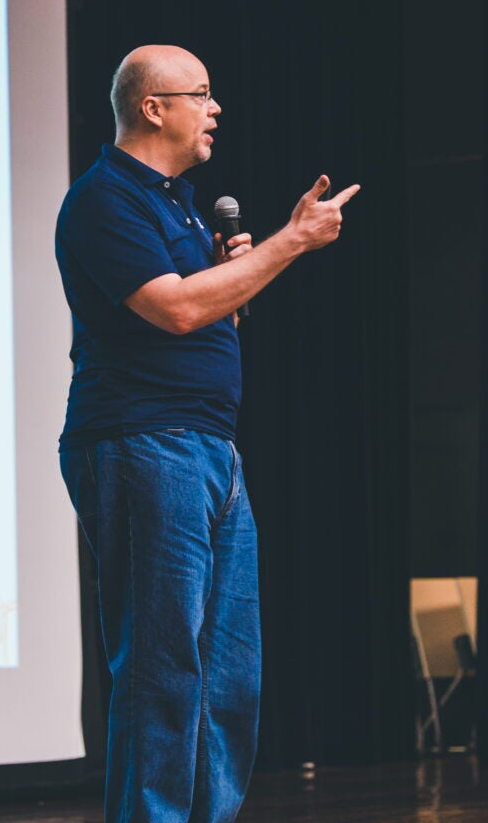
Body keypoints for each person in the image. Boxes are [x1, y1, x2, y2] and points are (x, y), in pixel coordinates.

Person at [55, 44, 358, 823]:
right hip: (143, 440)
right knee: (162, 669)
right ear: (153, 108)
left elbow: (209, 313)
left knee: (228, 675)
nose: (216, 108)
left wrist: (240, 270)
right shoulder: (106, 199)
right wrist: (292, 241)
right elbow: (180, 310)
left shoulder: (181, 205)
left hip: (210, 447)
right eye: (202, 94)